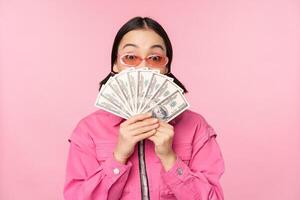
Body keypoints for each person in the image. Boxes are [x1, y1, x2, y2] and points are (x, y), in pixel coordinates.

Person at [63, 16, 225, 200]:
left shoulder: (196, 126)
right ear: (115, 65)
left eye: (155, 58)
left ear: (166, 66)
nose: (143, 67)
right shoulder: (88, 130)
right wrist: (118, 157)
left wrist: (170, 159)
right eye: (131, 57)